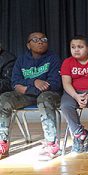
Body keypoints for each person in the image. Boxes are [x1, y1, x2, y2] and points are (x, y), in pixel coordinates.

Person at [0, 32, 62, 160]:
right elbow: (15, 82)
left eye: (43, 39)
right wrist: (34, 82)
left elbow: (54, 84)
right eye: (35, 40)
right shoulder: (21, 59)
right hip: (28, 95)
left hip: (49, 95)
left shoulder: (53, 58)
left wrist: (26, 88)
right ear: (28, 45)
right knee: (5, 98)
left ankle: (51, 144)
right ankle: (3, 143)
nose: (40, 42)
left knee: (44, 98)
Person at [60, 35, 88, 153]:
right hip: (73, 93)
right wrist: (76, 96)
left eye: (80, 47)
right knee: (65, 106)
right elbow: (66, 83)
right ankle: (79, 133)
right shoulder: (67, 62)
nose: (76, 50)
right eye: (73, 47)